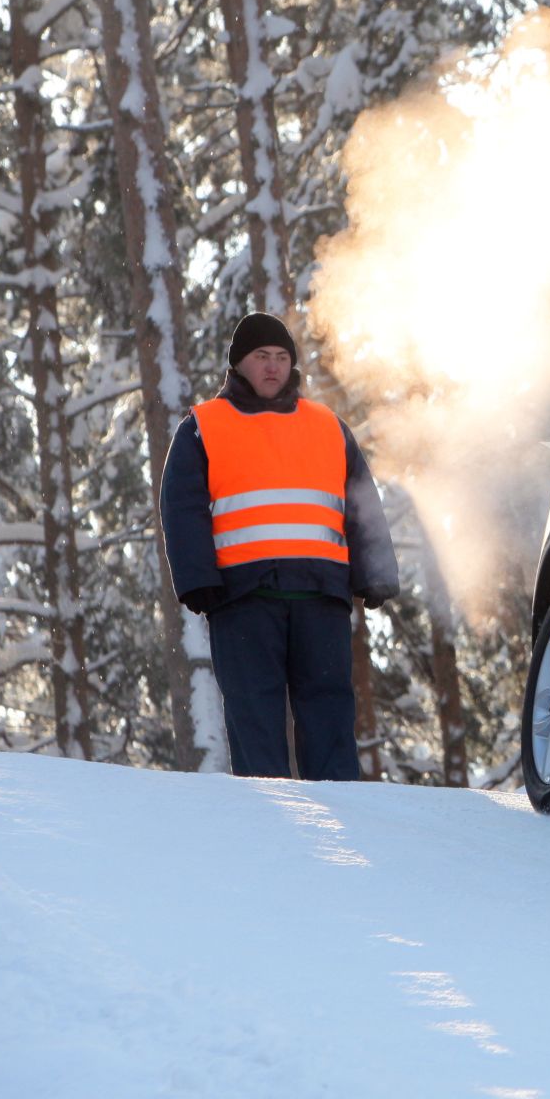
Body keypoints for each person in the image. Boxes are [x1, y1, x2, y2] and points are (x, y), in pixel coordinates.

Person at [159, 313, 399, 779]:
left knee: (329, 711)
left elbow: (361, 500)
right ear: (238, 364)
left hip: (320, 594)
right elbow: (181, 507)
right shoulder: (204, 426)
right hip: (244, 596)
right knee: (254, 714)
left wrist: (376, 572)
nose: (272, 367)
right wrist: (197, 583)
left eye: (281, 358)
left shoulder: (328, 425)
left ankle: (342, 818)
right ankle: (268, 822)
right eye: (261, 357)